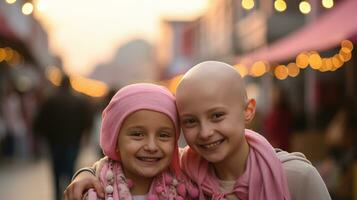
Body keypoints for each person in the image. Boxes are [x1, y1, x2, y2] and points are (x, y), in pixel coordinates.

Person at [65, 61, 331, 200]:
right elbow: (122, 164)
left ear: (248, 110)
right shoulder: (186, 173)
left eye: (217, 116)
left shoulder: (295, 176)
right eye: (190, 121)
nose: (205, 132)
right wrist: (86, 172)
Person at [64, 83, 198, 200]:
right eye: (137, 134)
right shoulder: (94, 191)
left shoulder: (191, 180)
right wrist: (85, 173)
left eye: (163, 135)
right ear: (115, 140)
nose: (151, 146)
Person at [34, 74, 93, 200]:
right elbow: (87, 121)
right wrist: (84, 135)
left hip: (55, 142)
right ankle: (70, 195)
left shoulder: (50, 100)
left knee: (56, 171)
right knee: (71, 170)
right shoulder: (79, 101)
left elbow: (40, 121)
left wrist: (46, 136)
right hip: (73, 142)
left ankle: (57, 196)